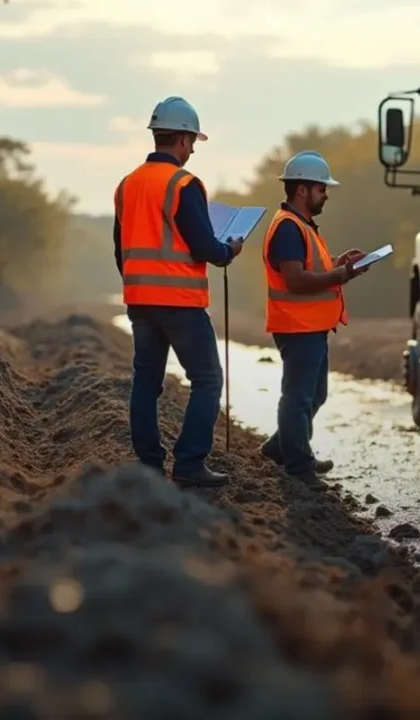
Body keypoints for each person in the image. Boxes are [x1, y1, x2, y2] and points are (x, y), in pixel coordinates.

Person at [114, 96, 244, 488]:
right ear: (184, 139)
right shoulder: (184, 184)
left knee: (146, 381)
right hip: (180, 303)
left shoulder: (128, 184)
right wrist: (229, 251)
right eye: (192, 142)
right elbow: (205, 247)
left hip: (139, 301)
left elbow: (120, 248)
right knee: (207, 379)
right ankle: (189, 464)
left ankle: (150, 465)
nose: (191, 150)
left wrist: (139, 284)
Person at [257, 150, 368, 488]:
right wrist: (342, 275)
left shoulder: (301, 226)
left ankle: (281, 448)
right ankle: (298, 466)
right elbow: (296, 280)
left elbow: (312, 268)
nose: (326, 194)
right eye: (321, 188)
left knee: (314, 396)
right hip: (297, 325)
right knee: (298, 398)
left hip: (311, 326)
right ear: (302, 190)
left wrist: (339, 263)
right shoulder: (289, 228)